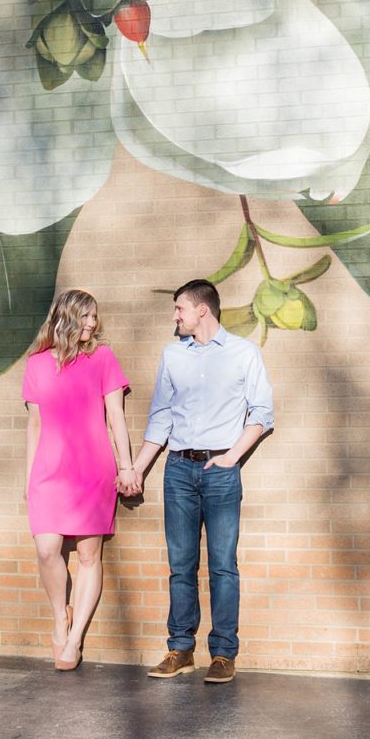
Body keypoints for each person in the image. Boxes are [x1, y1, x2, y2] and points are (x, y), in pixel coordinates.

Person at [119, 278, 273, 684]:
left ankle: (222, 654)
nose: (175, 317)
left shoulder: (243, 353)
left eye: (179, 310)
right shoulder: (173, 356)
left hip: (221, 473)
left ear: (202, 310)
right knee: (180, 565)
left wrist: (231, 458)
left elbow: (262, 413)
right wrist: (137, 469)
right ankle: (180, 649)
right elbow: (161, 418)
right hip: (179, 471)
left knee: (223, 565)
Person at [23, 289, 140, 671]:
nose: (92, 323)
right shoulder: (38, 364)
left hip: (93, 468)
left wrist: (126, 466)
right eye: (86, 316)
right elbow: (35, 425)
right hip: (49, 471)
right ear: (67, 318)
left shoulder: (102, 358)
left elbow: (115, 417)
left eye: (95, 317)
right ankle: (61, 615)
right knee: (46, 550)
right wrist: (28, 479)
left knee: (90, 555)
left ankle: (73, 640)